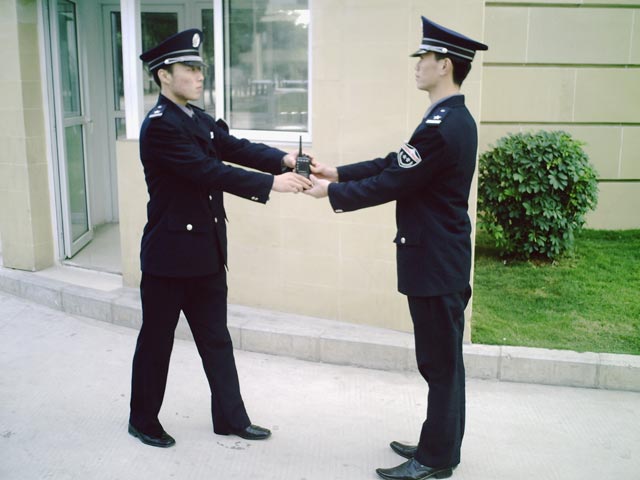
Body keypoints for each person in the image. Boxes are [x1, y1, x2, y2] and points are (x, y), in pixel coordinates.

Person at [305, 16, 488, 480]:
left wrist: (331, 193)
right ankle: (439, 444)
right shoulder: (449, 119)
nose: (417, 65)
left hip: (435, 261)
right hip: (440, 258)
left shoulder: (443, 125)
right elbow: (396, 163)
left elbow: (392, 181)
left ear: (444, 65)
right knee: (443, 362)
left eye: (424, 57)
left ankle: (435, 459)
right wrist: (338, 173)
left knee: (439, 364)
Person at [129, 29, 311, 448]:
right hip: (168, 258)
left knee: (216, 339)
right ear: (163, 75)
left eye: (200, 68)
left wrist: (283, 159)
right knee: (157, 342)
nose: (199, 75)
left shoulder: (196, 118)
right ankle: (142, 419)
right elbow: (207, 170)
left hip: (207, 253)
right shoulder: (160, 127)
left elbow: (235, 147)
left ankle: (230, 418)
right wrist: (272, 183)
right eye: (189, 68)